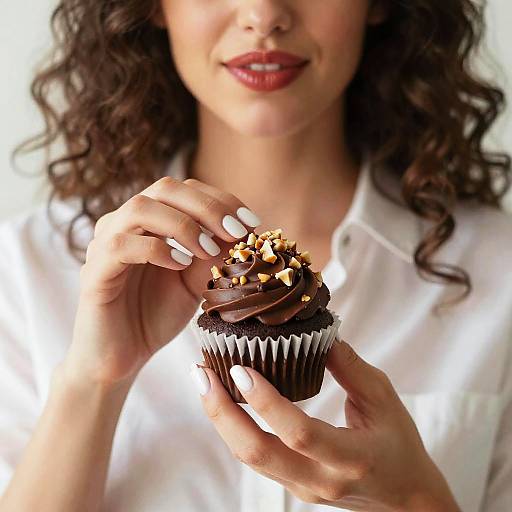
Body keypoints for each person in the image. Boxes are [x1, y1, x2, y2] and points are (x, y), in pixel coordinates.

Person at [0, 1, 511, 511]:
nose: (263, 15)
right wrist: (95, 379)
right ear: (152, 7)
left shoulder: (500, 272)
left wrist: (419, 500)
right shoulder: (25, 269)